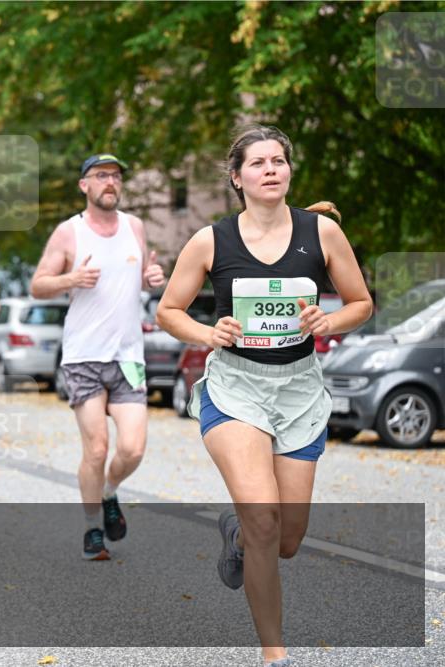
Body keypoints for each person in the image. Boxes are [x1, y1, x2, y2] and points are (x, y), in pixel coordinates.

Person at [156, 125, 372, 667]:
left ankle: (235, 536)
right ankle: (275, 654)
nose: (271, 169)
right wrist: (209, 334)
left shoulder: (321, 233)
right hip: (235, 389)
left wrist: (330, 318)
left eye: (279, 161)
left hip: (299, 390)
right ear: (237, 177)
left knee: (287, 539)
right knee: (264, 520)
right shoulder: (211, 240)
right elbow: (169, 310)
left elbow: (361, 303)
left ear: (288, 171)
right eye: (258, 163)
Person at [30, 154, 165, 559]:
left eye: (116, 176)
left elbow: (141, 279)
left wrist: (153, 279)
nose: (111, 182)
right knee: (97, 449)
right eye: (101, 176)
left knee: (134, 448)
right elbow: (38, 285)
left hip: (127, 355)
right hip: (84, 356)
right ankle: (92, 530)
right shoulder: (69, 233)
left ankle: (109, 493)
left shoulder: (134, 227)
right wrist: (71, 279)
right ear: (84, 185)